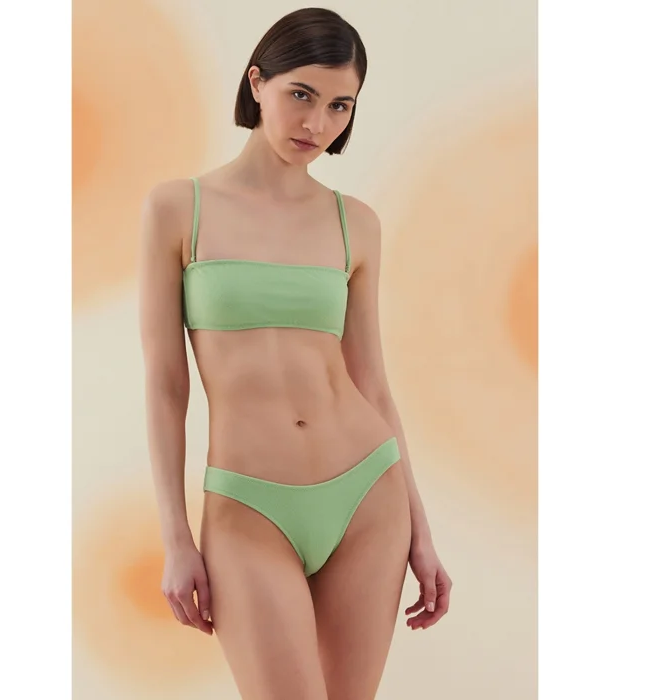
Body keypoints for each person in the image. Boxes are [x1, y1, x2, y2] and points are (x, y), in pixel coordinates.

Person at [139, 7, 452, 699]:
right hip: (247, 505)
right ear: (258, 83)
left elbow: (373, 383)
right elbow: (165, 386)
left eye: (341, 105)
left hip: (366, 492)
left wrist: (421, 532)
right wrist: (176, 538)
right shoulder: (178, 209)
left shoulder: (355, 223)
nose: (317, 123)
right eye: (301, 95)